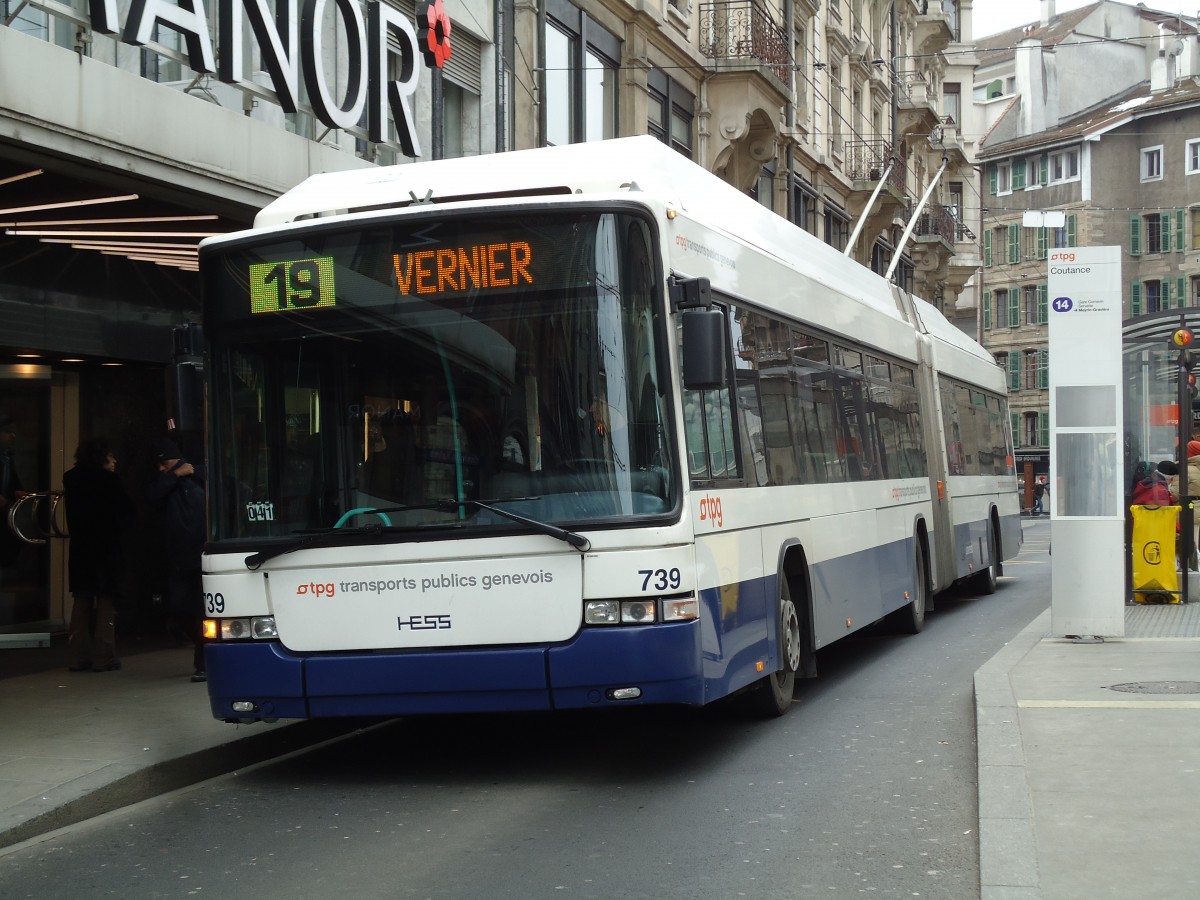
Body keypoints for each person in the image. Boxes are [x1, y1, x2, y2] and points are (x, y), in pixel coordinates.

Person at [63, 437, 135, 672]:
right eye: (110, 455)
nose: (114, 460)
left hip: (81, 548)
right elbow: (125, 514)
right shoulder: (110, 481)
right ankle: (104, 655)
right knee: (106, 602)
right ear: (102, 456)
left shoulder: (71, 478)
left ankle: (77, 655)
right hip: (106, 548)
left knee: (81, 601)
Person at [149, 437, 208, 682]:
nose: (161, 469)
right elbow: (151, 496)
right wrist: (174, 476)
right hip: (178, 556)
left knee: (202, 611)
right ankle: (202, 648)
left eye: (164, 464)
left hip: (201, 553)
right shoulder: (167, 483)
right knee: (180, 608)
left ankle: (203, 663)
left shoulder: (199, 476)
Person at [0, 412, 30, 568]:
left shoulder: (6, 456)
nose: (12, 436)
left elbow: (11, 480)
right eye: (8, 432)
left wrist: (16, 491)